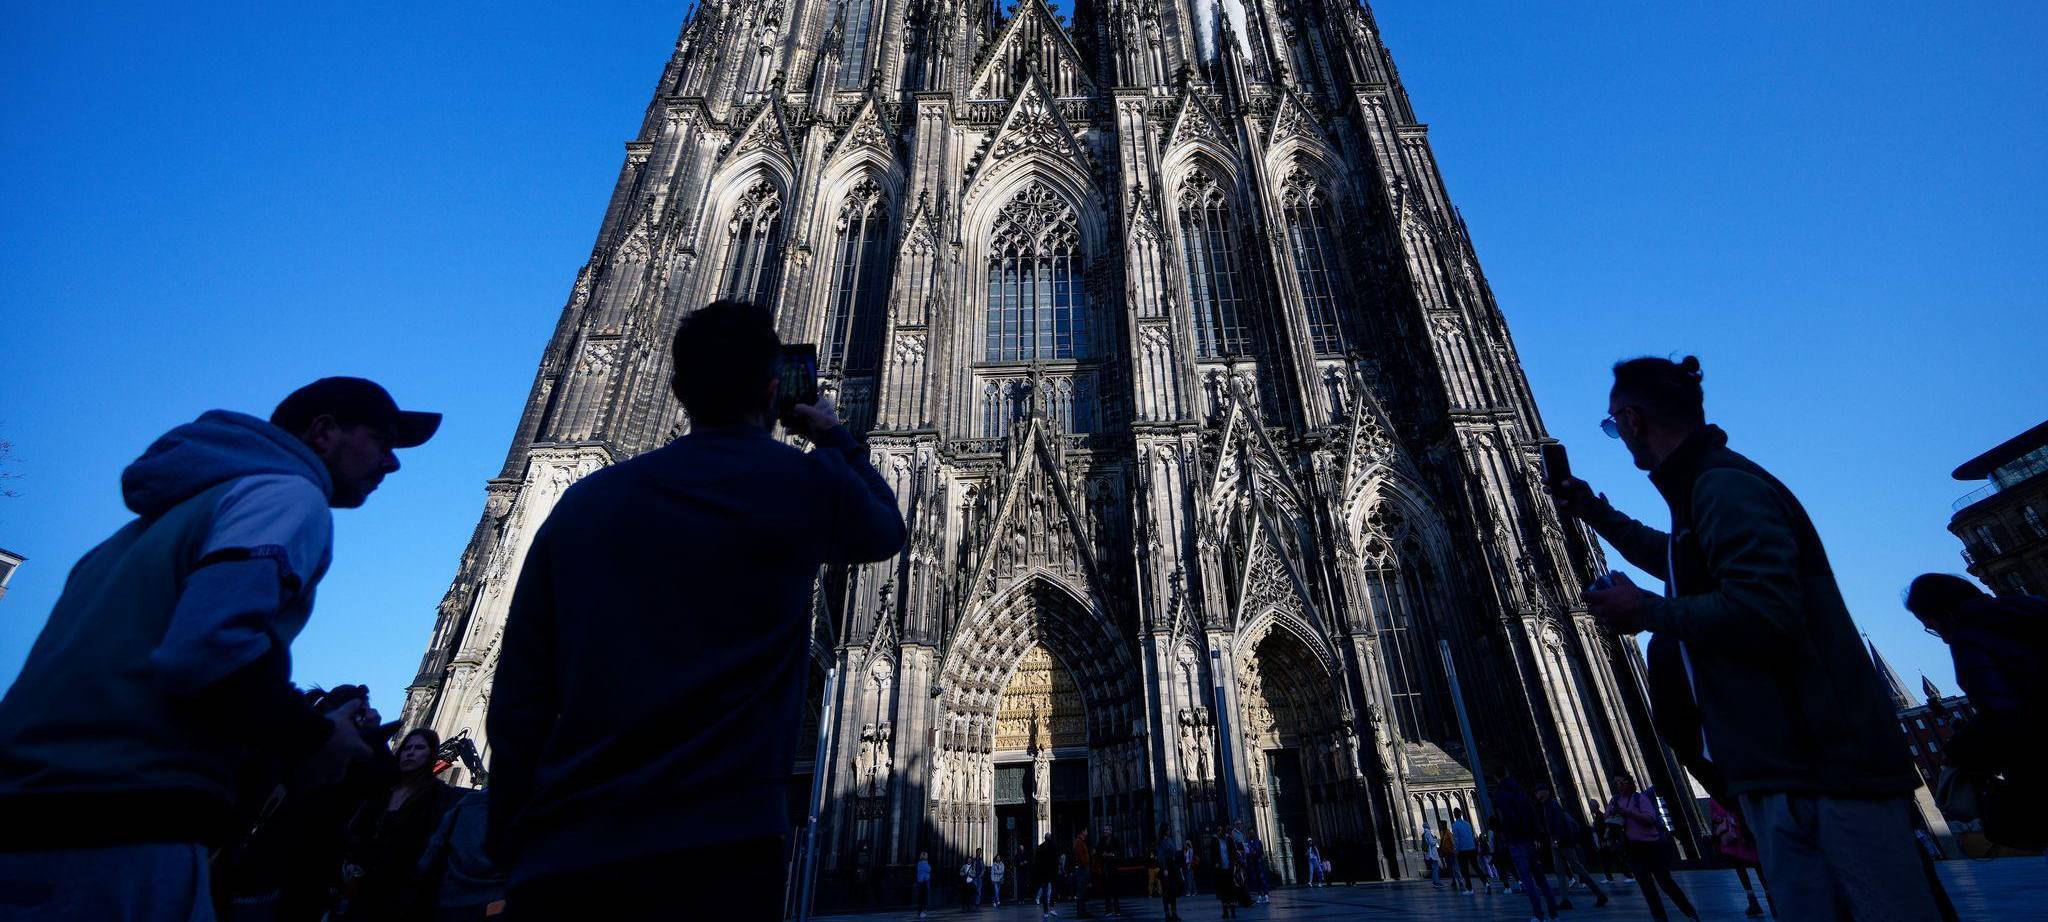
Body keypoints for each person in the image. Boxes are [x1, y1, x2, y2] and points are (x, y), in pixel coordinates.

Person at [484, 301, 906, 920]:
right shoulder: (799, 483)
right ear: (771, 390)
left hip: (572, 849)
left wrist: (510, 843)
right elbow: (887, 530)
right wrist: (833, 436)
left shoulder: (582, 502)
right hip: (720, 850)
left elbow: (519, 696)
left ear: (679, 391)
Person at [0, 378, 436, 919]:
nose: (391, 463)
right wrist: (316, 739)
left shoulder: (149, 528)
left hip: (30, 813)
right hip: (121, 828)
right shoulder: (288, 496)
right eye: (382, 440)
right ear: (323, 432)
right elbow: (207, 650)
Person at [1556, 355, 1940, 920]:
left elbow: (1765, 611)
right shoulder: (1705, 488)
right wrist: (1594, 511)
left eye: (1614, 426)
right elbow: (1678, 558)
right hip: (1792, 768)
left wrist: (1648, 611)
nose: (1618, 437)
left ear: (1635, 421)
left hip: (1823, 770)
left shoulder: (1723, 488)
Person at [1905, 573, 2048, 850]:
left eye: (1933, 626)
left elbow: (2003, 711)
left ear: (1945, 613)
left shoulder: (1969, 634)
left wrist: (1961, 749)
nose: (1942, 638)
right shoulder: (2034, 607)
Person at [339, 728, 460, 919]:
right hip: (363, 885)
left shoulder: (439, 796)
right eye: (407, 748)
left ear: (431, 754)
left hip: (404, 893)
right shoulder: (381, 792)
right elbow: (357, 831)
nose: (410, 752)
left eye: (419, 748)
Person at [1607, 774, 1699, 922]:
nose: (1619, 785)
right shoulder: (1614, 801)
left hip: (1651, 847)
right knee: (1647, 888)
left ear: (1630, 783)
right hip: (1633, 849)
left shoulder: (1640, 798)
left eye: (1622, 782)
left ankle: (1690, 913)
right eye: (1616, 783)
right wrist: (1611, 815)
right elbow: (1608, 819)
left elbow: (1650, 819)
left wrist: (1628, 813)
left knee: (1666, 883)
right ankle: (1660, 919)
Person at [415, 787, 509, 922]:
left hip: (449, 902)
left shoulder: (468, 802)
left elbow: (430, 856)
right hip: (496, 904)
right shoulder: (533, 811)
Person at [1535, 782, 1608, 908]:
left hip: (1562, 844)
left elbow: (1559, 824)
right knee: (1560, 872)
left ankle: (1600, 894)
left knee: (1578, 869)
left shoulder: (1552, 805)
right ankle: (1565, 900)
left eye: (1538, 792)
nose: (1537, 795)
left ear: (1545, 792)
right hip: (1556, 844)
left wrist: (1557, 840)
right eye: (1536, 793)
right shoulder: (1545, 806)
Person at [1709, 799, 1769, 918]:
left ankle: (1752, 900)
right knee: (1758, 865)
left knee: (1740, 867)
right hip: (1745, 831)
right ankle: (1770, 897)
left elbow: (1716, 817)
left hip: (1732, 837)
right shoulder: (1736, 792)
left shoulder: (1715, 798)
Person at [1154, 824, 1182, 922]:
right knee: (1166, 892)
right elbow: (1161, 856)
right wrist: (1164, 868)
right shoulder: (1160, 842)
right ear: (1165, 830)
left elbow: (1174, 851)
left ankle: (1174, 913)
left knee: (1173, 891)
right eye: (1168, 829)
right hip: (1166, 868)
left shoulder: (1170, 840)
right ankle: (1167, 914)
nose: (1170, 831)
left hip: (1172, 867)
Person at [1449, 810, 1482, 894]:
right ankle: (1486, 883)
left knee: (1465, 870)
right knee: (1476, 867)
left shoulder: (1455, 825)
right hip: (1471, 848)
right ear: (1461, 814)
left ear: (1454, 815)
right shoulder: (1467, 824)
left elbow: (1456, 839)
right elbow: (1472, 835)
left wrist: (1456, 850)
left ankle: (1470, 889)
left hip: (1463, 850)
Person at [1033, 832, 1061, 920]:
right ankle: (1052, 907)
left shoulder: (1040, 847)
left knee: (1045, 892)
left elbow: (1036, 862)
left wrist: (1037, 873)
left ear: (1044, 838)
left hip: (1043, 873)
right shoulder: (1053, 847)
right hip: (1052, 872)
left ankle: (1045, 911)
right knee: (1053, 889)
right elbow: (1056, 860)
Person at [1096, 825, 1120, 916]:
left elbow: (1119, 851)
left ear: (1111, 831)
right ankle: (1108, 910)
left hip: (1113, 867)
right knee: (1107, 890)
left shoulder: (1115, 840)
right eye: (1104, 829)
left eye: (1107, 830)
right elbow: (1098, 851)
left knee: (1115, 890)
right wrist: (1102, 854)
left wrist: (1112, 855)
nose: (1105, 831)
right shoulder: (1102, 840)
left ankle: (1117, 910)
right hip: (1105, 867)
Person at [1070, 830, 1092, 918]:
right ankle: (1081, 912)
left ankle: (1083, 911)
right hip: (1082, 869)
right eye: (1086, 831)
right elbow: (1080, 856)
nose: (1087, 832)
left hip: (1082, 868)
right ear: (1083, 831)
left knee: (1083, 891)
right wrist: (1085, 863)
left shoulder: (1080, 842)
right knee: (1081, 891)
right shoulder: (1079, 842)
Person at [915, 851, 933, 920]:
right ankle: (923, 911)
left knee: (920, 897)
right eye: (926, 855)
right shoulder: (924, 863)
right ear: (924, 856)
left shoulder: (919, 863)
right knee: (925, 897)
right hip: (925, 882)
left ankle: (919, 911)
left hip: (920, 882)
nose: (927, 856)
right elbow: (929, 869)